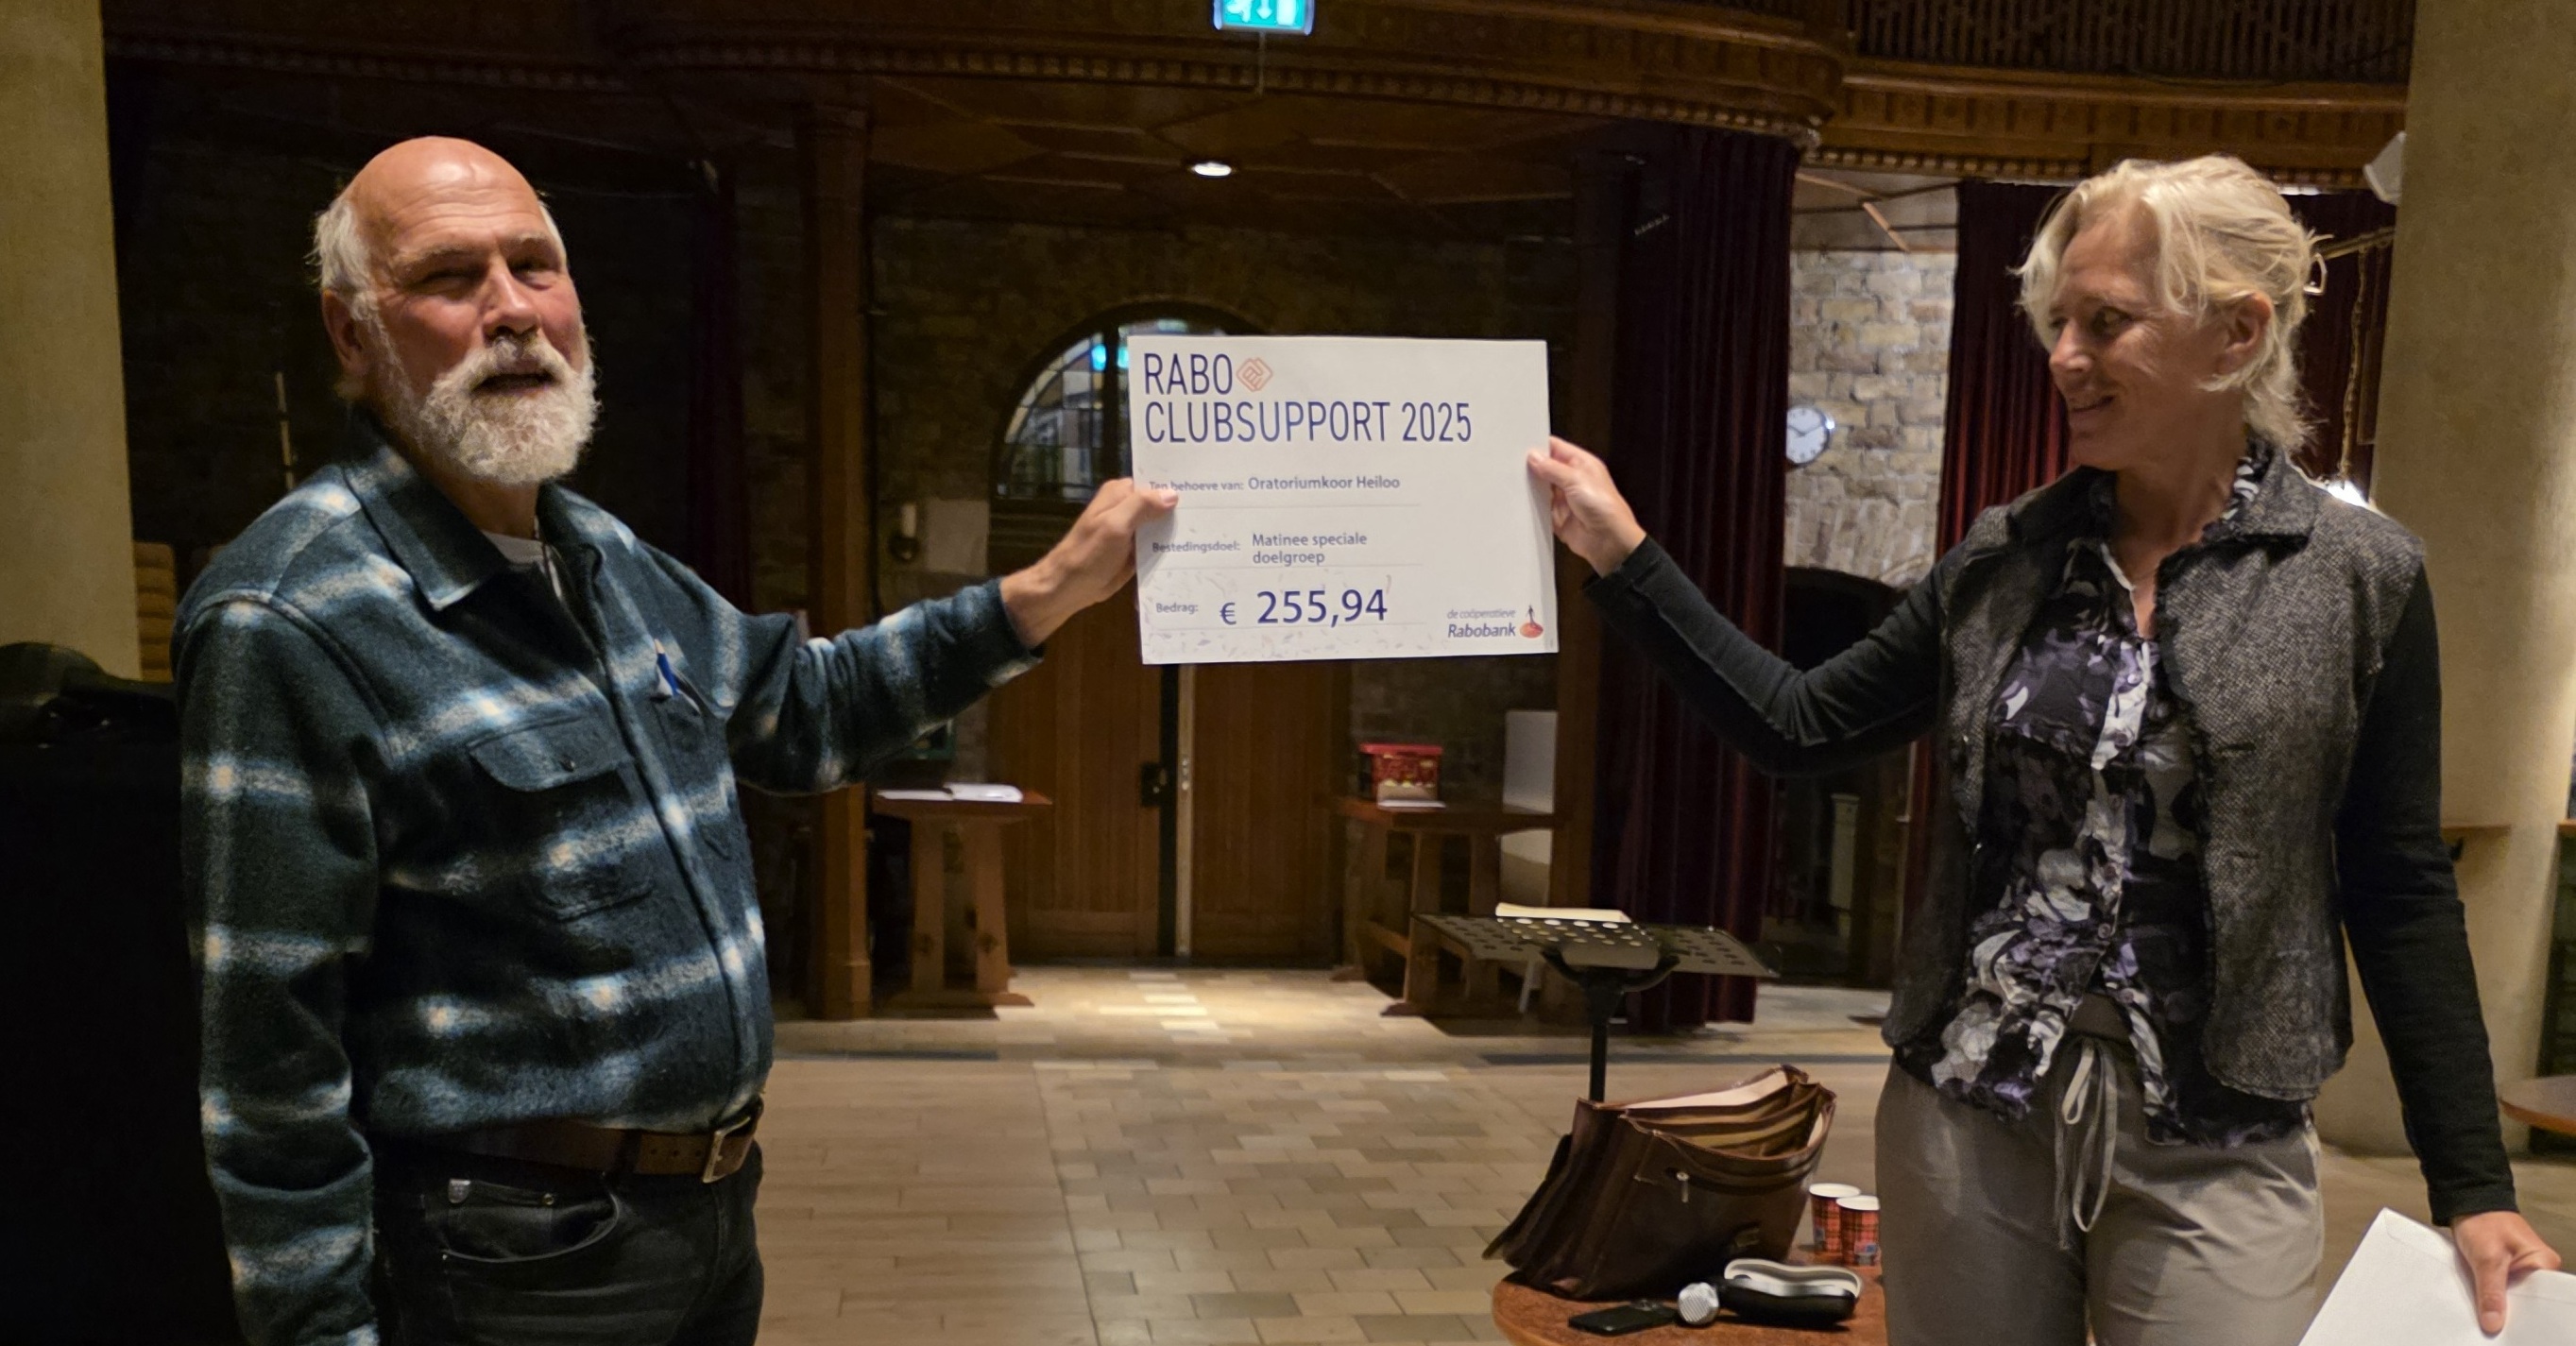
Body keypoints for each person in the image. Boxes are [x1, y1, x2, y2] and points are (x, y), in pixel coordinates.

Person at [1527, 154, 2561, 1345]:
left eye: (2107, 322)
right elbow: (1799, 724)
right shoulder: (2003, 557)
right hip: (1971, 1119)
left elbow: (2399, 884)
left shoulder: (2358, 579)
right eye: (2058, 322)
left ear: (2236, 334)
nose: (2065, 356)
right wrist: (1626, 556)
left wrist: (2473, 1186)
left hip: (2219, 1139)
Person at [176, 136, 1169, 1346]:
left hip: (705, 1221)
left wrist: (1048, 592)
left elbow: (804, 712)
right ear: (351, 333)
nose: (511, 310)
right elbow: (269, 1068)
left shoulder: (596, 552)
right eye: (449, 277)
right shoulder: (289, 617)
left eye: (535, 265)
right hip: (508, 1266)